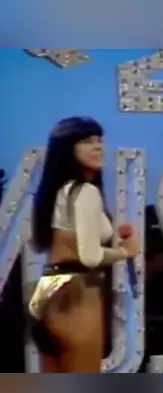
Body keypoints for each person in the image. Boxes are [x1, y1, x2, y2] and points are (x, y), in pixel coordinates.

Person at [30, 117, 140, 373]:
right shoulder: (86, 192)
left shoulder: (60, 192)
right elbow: (90, 256)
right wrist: (125, 252)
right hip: (79, 295)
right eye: (87, 141)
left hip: (48, 295)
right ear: (68, 149)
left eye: (100, 140)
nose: (98, 147)